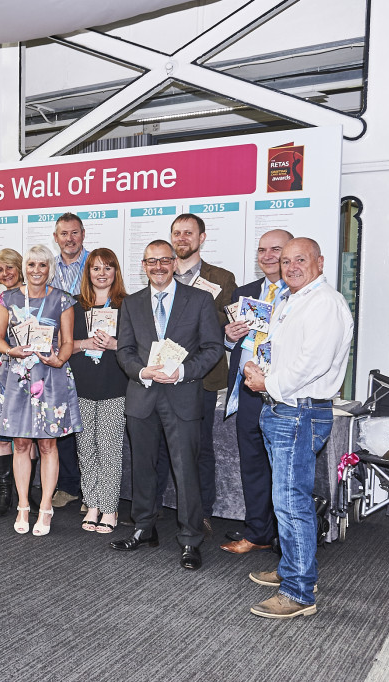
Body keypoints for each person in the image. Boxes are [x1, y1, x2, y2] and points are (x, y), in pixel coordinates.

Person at [242, 237, 352, 619]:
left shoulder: (325, 304)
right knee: (286, 500)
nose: (290, 266)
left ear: (320, 262)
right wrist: (258, 369)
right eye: (285, 261)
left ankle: (300, 592)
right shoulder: (292, 299)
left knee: (292, 504)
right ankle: (293, 569)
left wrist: (266, 384)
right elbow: (282, 354)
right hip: (285, 409)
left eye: (299, 259)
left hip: (299, 412)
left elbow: (311, 365)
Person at [111, 240, 223, 570]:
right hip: (143, 394)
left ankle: (190, 539)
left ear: (174, 263)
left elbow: (213, 348)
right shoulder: (130, 304)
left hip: (183, 393)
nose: (158, 267)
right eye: (151, 262)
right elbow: (125, 350)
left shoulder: (200, 300)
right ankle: (144, 528)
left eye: (164, 261)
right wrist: (141, 370)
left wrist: (183, 371)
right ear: (143, 266)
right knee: (142, 467)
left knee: (185, 469)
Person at [0, 244, 82, 536]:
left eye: (42, 265)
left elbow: (67, 342)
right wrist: (11, 351)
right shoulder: (8, 298)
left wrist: (59, 359)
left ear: (49, 269)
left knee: (48, 445)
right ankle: (24, 505)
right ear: (24, 268)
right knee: (21, 444)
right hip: (16, 377)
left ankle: (47, 507)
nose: (36, 270)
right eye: (31, 265)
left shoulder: (63, 300)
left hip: (50, 376)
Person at [164, 213, 237, 533]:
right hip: (162, 375)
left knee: (200, 448)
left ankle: (202, 511)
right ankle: (157, 509)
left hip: (204, 377)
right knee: (159, 446)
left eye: (188, 233)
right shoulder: (161, 272)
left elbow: (226, 326)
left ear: (202, 238)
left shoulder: (222, 278)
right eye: (177, 233)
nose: (182, 238)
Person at [221, 229, 293, 555]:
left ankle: (286, 537)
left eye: (275, 249)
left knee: (285, 469)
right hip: (248, 391)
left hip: (283, 393)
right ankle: (258, 532)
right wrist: (229, 337)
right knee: (252, 464)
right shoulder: (245, 292)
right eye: (262, 250)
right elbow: (231, 345)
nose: (267, 256)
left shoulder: (299, 294)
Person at [69, 248, 128, 534]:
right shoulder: (75, 306)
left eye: (108, 268)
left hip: (115, 387)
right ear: (88, 273)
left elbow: (138, 348)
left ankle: (110, 506)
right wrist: (85, 344)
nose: (101, 273)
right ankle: (92, 504)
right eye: (96, 268)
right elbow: (64, 344)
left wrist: (115, 344)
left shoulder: (128, 305)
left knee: (109, 450)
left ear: (116, 272)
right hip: (81, 387)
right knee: (85, 450)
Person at [48, 213, 90, 511]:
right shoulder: (47, 267)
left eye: (74, 233)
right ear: (56, 237)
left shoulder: (96, 263)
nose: (69, 238)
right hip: (54, 345)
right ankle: (68, 485)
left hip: (90, 347)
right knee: (60, 417)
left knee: (89, 422)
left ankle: (93, 489)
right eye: (64, 234)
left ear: (83, 234)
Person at [0, 248, 23, 516]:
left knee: (25, 436)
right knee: (0, 436)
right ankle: (4, 494)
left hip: (30, 375)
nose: (5, 273)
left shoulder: (36, 298)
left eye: (10, 267)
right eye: (0, 269)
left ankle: (25, 494)